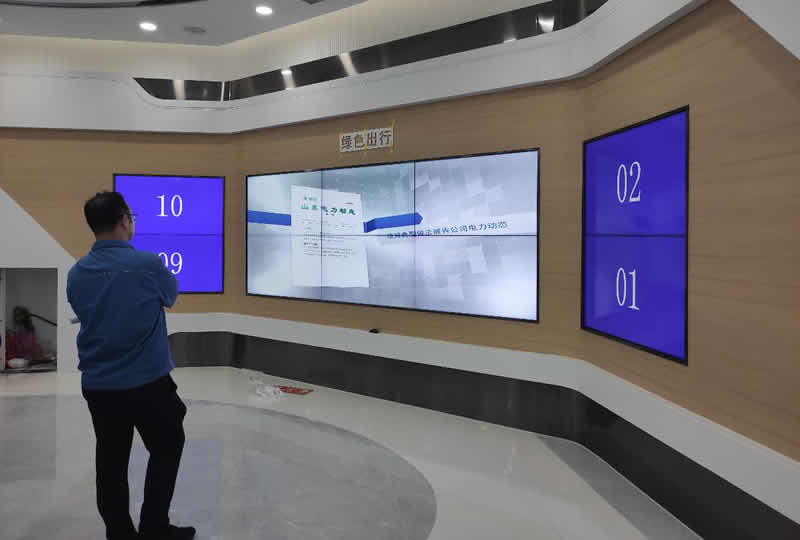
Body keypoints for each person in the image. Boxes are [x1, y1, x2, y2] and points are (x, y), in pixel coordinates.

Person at [67, 191, 195, 540]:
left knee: (110, 461)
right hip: (148, 383)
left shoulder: (77, 274)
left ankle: (119, 533)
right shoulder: (147, 265)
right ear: (125, 220)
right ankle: (154, 526)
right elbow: (171, 294)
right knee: (168, 445)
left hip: (99, 386)